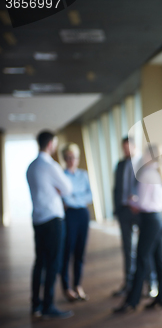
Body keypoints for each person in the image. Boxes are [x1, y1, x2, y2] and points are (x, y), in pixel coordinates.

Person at [114, 144, 162, 312]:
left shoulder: (146, 173)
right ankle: (161, 297)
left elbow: (142, 203)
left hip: (149, 221)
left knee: (141, 260)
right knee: (159, 260)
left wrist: (131, 201)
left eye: (145, 154)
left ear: (149, 155)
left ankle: (131, 302)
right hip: (160, 219)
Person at [27, 130, 73, 319]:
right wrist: (58, 189)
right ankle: (48, 305)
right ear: (50, 144)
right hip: (53, 220)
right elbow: (68, 189)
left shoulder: (31, 167)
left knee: (40, 263)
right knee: (54, 263)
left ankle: (36, 305)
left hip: (38, 219)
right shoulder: (50, 165)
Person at [60, 143, 92, 302]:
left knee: (80, 252)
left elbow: (90, 196)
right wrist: (78, 199)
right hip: (69, 215)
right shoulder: (62, 175)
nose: (72, 160)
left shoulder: (83, 175)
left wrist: (74, 198)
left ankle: (78, 285)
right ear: (65, 159)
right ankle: (67, 288)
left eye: (74, 158)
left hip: (83, 214)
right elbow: (65, 199)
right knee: (68, 251)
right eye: (69, 158)